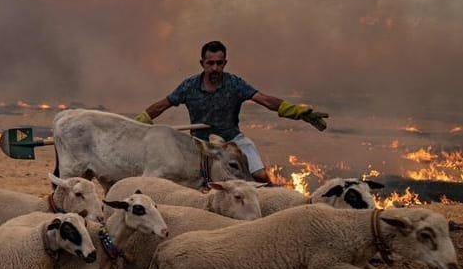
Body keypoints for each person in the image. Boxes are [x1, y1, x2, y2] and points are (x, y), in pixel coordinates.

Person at [135, 40, 328, 183]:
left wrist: (296, 111)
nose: (215, 68)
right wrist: (140, 121)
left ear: (225, 63)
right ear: (202, 63)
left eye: (219, 63)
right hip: (202, 146)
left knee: (260, 177)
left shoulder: (234, 83)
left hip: (233, 141)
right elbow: (162, 105)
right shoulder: (189, 86)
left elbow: (265, 100)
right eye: (210, 63)